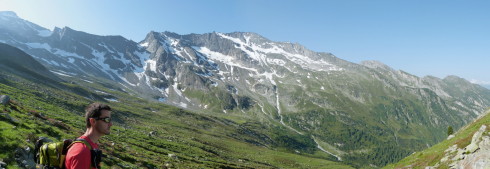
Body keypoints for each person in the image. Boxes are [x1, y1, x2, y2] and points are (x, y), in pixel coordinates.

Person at [65, 103, 113, 169]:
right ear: (93, 121)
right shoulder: (82, 151)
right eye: (106, 120)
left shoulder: (90, 145)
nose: (110, 124)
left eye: (110, 120)